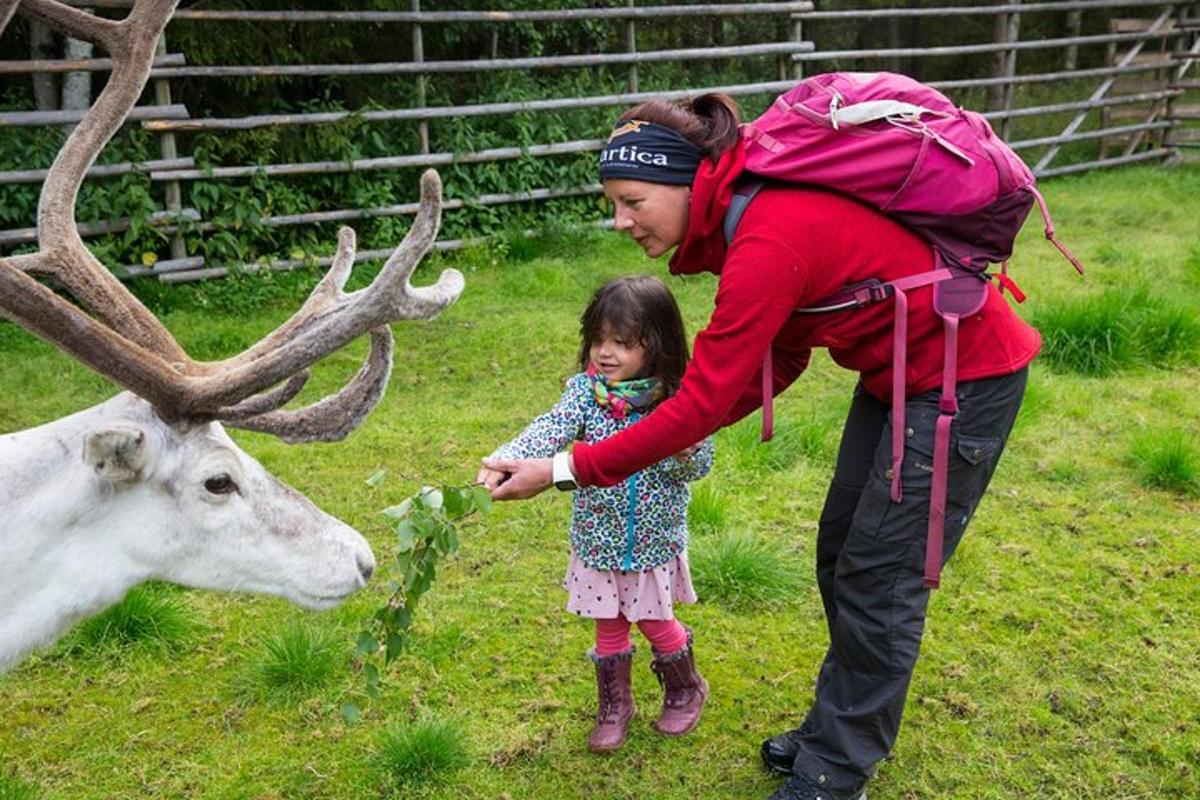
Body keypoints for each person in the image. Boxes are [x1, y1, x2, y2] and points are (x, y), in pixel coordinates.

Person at [481, 95, 1038, 800]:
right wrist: (681, 421)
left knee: (881, 576)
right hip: (895, 376)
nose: (619, 221)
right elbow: (780, 359)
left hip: (964, 377)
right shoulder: (757, 219)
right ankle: (838, 727)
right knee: (842, 551)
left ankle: (837, 768)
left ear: (687, 184)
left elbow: (706, 399)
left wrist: (564, 468)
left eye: (632, 201)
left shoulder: (769, 234)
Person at [478, 275, 714, 754]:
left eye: (623, 343)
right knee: (608, 623)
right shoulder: (586, 394)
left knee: (653, 622)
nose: (606, 353)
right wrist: (506, 457)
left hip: (651, 543)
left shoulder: (676, 403)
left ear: (658, 345)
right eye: (599, 340)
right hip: (597, 541)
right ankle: (615, 705)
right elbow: (549, 428)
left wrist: (687, 450)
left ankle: (685, 687)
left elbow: (699, 467)